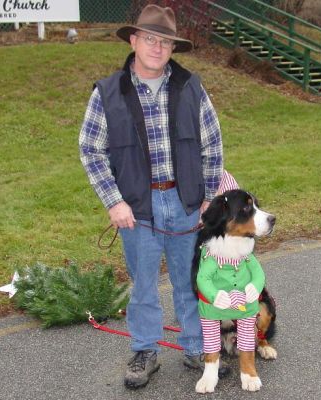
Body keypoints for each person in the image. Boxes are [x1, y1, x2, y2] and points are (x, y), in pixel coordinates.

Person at [79, 4, 223, 389]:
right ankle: (145, 350)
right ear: (133, 40)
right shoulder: (109, 92)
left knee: (190, 279)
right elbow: (91, 150)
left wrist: (208, 198)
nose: (157, 48)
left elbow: (212, 144)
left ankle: (197, 348)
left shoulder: (191, 87)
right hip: (136, 208)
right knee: (143, 284)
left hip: (185, 202)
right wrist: (113, 201)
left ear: (172, 48)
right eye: (150, 39)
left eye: (165, 42)